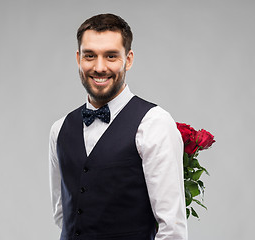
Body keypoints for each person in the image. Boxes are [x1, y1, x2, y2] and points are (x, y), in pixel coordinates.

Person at [49, 13, 188, 240]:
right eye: (90, 56)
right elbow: (62, 215)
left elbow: (172, 228)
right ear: (78, 59)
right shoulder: (59, 129)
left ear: (129, 59)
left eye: (111, 56)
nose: (99, 67)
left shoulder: (154, 123)